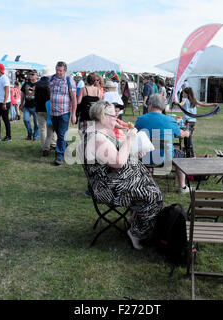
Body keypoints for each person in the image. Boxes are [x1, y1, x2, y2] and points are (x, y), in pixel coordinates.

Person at [81, 100, 163, 250]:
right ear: (103, 116)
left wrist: (133, 153)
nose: (117, 117)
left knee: (151, 188)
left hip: (114, 180)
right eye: (114, 114)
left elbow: (116, 156)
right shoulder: (97, 138)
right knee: (152, 195)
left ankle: (135, 220)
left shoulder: (101, 132)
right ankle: (136, 233)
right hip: (106, 188)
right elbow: (118, 162)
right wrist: (130, 139)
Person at [135, 94, 191, 194]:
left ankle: (146, 182)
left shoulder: (141, 119)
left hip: (145, 157)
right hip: (165, 158)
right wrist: (187, 133)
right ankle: (182, 186)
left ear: (150, 105)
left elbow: (135, 135)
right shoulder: (170, 120)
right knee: (181, 155)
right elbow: (180, 134)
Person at [173, 87, 216, 158]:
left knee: (188, 139)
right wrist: (213, 104)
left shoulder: (185, 100)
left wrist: (176, 103)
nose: (182, 94)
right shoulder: (194, 100)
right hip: (193, 122)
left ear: (186, 94)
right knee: (188, 138)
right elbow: (203, 104)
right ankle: (188, 154)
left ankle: (192, 155)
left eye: (183, 93)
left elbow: (181, 104)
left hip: (188, 122)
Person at [49, 61, 77, 165]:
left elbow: (74, 99)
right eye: (57, 70)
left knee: (61, 134)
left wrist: (73, 114)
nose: (58, 72)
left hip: (64, 112)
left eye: (60, 70)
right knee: (59, 133)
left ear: (65, 71)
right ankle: (67, 148)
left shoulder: (70, 81)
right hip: (53, 112)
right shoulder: (51, 79)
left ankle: (59, 157)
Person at [35, 69, 54, 157]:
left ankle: (44, 147)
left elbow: (35, 97)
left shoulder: (37, 84)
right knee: (50, 128)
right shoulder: (50, 83)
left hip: (39, 109)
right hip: (48, 108)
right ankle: (51, 144)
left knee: (42, 129)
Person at [20, 71, 40, 140]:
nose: (31, 75)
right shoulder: (26, 84)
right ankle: (29, 134)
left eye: (33, 74)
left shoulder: (39, 84)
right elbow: (22, 94)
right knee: (26, 120)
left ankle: (36, 136)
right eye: (30, 74)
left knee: (36, 123)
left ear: (36, 76)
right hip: (27, 106)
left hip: (36, 107)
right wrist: (21, 104)